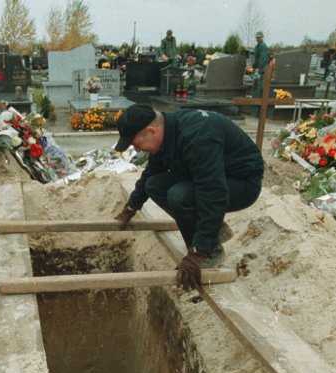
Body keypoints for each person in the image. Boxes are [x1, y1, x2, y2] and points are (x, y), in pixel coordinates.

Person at [113, 104, 264, 290]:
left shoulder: (197, 136)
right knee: (155, 186)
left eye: (136, 144)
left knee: (179, 196)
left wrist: (196, 254)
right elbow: (150, 174)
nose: (137, 150)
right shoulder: (168, 131)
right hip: (213, 177)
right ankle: (212, 234)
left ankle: (210, 252)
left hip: (242, 183)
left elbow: (213, 192)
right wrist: (131, 207)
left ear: (151, 131)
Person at [251, 31, 270, 115]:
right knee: (256, 85)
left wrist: (259, 69)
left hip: (261, 69)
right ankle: (255, 108)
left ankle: (259, 110)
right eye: (256, 37)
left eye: (259, 37)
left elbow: (263, 58)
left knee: (260, 86)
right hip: (257, 69)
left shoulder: (263, 46)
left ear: (262, 37)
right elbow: (256, 58)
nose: (257, 39)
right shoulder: (257, 46)